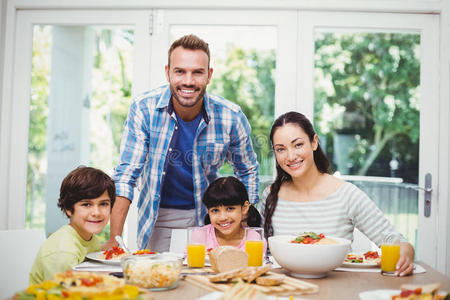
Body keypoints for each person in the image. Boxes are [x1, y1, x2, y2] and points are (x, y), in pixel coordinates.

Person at [103, 34, 259, 252]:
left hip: (209, 217)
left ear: (209, 75)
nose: (188, 80)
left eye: (197, 72)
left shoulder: (231, 116)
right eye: (180, 71)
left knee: (208, 282)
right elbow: (127, 174)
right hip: (157, 218)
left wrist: (242, 221)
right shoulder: (144, 109)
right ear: (168, 72)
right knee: (157, 280)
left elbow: (248, 170)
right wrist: (115, 238)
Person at [258, 111, 415, 276]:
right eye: (281, 149)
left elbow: (394, 240)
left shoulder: (346, 194)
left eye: (298, 145)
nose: (290, 156)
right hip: (285, 289)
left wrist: (405, 254)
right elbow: (258, 246)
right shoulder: (270, 196)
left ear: (314, 142)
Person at [29, 166, 115, 284]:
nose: (97, 212)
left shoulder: (90, 238)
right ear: (69, 208)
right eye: (86, 204)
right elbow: (64, 293)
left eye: (103, 204)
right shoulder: (66, 251)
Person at [195, 176, 266, 253]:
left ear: (244, 208)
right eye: (215, 210)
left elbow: (259, 264)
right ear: (208, 211)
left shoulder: (255, 240)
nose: (222, 217)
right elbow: (189, 264)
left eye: (230, 209)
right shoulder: (199, 236)